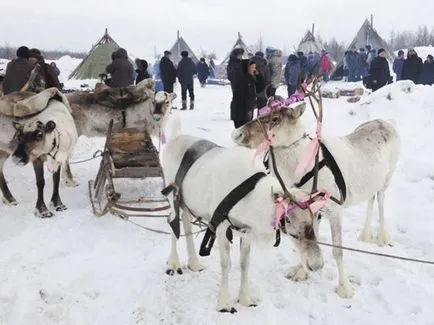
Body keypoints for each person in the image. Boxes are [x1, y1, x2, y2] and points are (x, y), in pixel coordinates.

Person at [229, 59, 265, 128]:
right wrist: (247, 112)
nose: (254, 70)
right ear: (246, 67)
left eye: (255, 67)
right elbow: (241, 99)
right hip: (241, 112)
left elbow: (260, 88)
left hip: (248, 110)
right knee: (242, 131)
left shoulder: (250, 78)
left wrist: (258, 75)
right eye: (252, 67)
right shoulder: (242, 79)